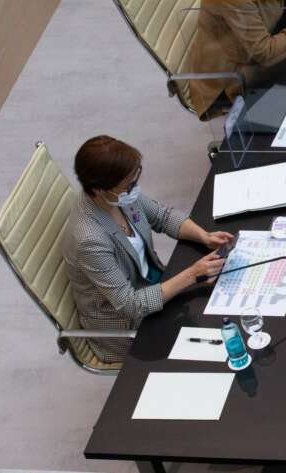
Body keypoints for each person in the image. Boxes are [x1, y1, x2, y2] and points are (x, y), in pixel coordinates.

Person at [62, 136, 234, 363]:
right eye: (128, 185)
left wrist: (203, 236)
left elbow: (162, 216)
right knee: (219, 345)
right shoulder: (90, 240)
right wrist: (193, 274)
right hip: (129, 327)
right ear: (99, 190)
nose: (134, 188)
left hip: (154, 287)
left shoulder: (119, 196)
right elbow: (131, 305)